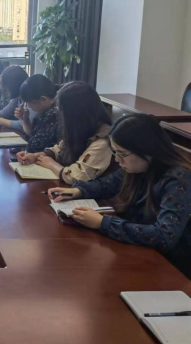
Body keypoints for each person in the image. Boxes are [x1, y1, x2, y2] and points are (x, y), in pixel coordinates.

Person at [48, 114, 191, 278]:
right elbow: (108, 184)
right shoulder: (140, 167)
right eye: (114, 152)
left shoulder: (178, 181)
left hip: (170, 269)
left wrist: (102, 223)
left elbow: (164, 236)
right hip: (140, 252)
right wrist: (78, 191)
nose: (117, 159)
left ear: (147, 150)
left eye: (122, 153)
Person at [17, 81, 113, 184]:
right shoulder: (83, 127)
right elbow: (60, 148)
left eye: (63, 112)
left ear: (77, 113)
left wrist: (52, 164)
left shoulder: (103, 139)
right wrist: (37, 155)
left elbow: (79, 175)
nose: (61, 116)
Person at [0, 74, 59, 152]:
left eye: (30, 104)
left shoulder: (53, 114)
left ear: (43, 99)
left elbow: (35, 145)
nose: (29, 107)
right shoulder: (44, 109)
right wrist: (25, 120)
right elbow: (31, 133)